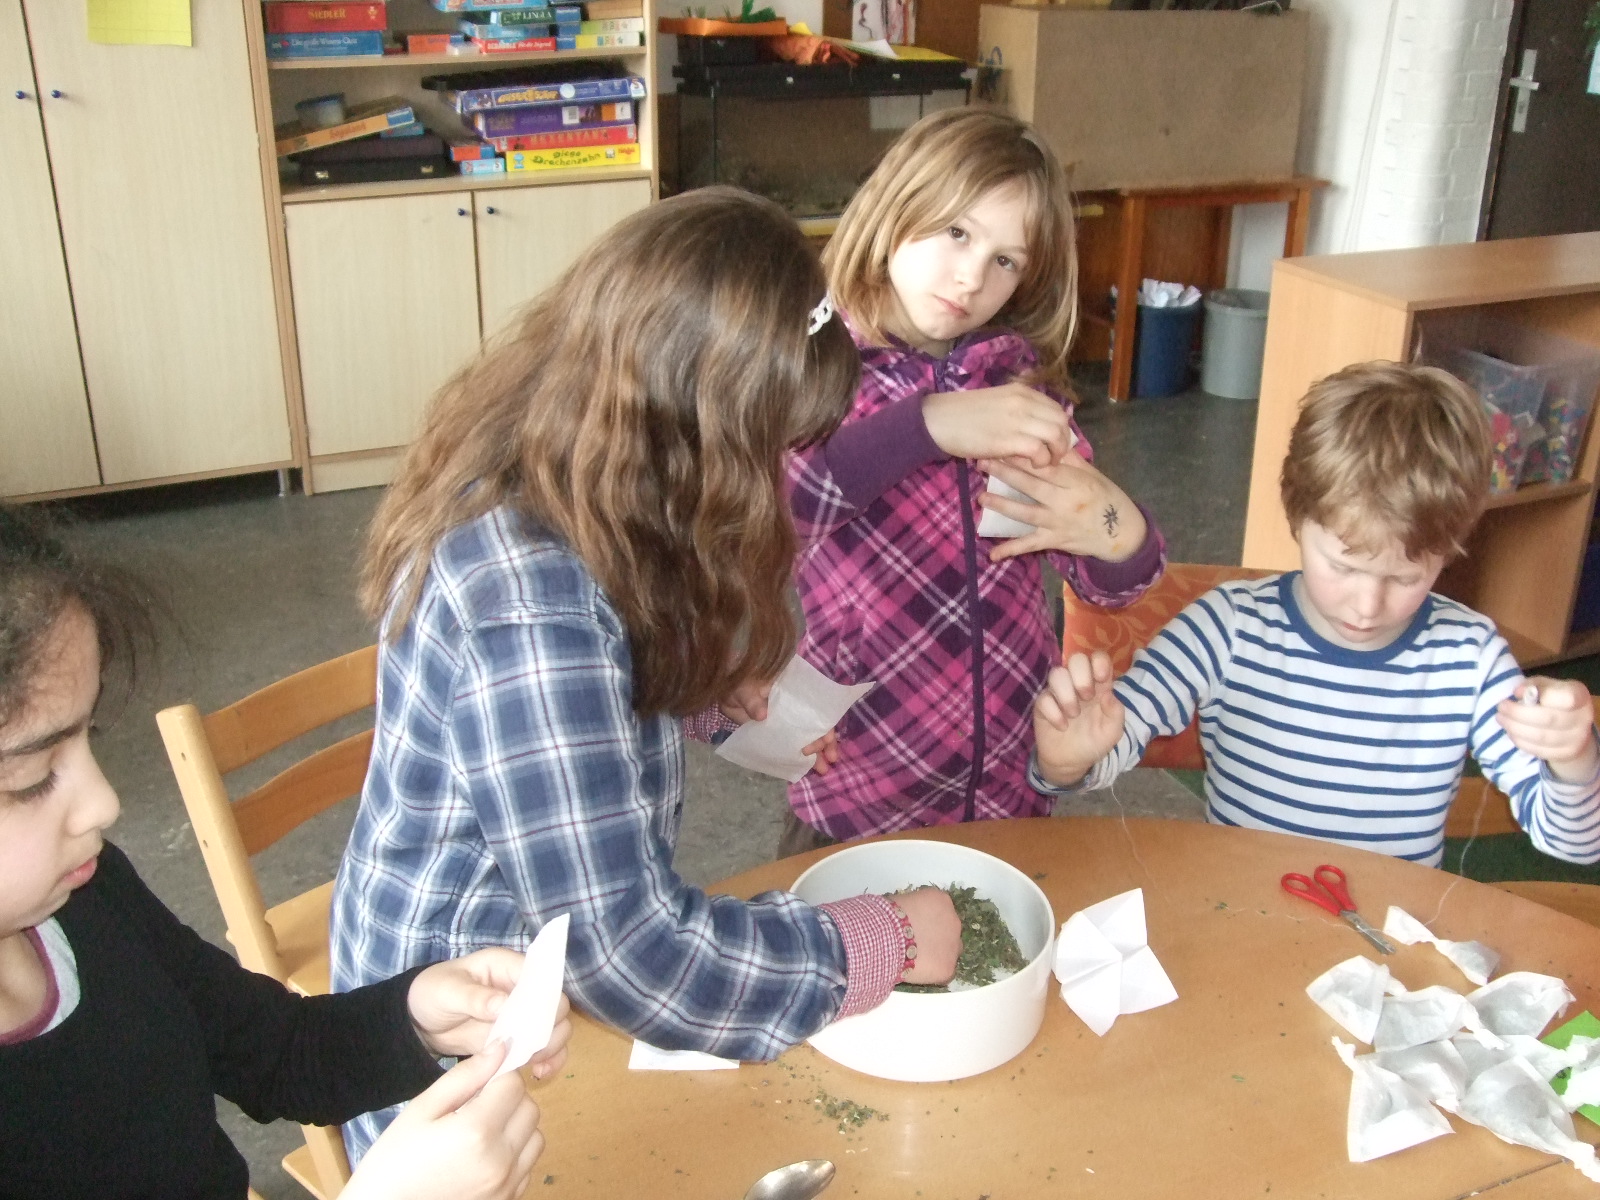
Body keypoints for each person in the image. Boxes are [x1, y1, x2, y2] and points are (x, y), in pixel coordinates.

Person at [329, 187, 964, 1162]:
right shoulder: (528, 601)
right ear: (688, 431)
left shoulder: (579, 465)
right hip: (454, 1057)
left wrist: (693, 679)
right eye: (762, 451)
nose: (772, 485)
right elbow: (628, 953)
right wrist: (881, 942)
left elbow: (602, 658)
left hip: (542, 973)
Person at [0, 504, 571, 1200]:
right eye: (33, 778)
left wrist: (414, 1017)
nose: (103, 802)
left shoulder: (89, 895)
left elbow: (276, 1050)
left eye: (87, 737)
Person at [777, 107, 1166, 854]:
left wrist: (1120, 529)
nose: (971, 278)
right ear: (897, 203)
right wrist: (932, 424)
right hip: (859, 783)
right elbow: (784, 507)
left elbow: (1110, 581)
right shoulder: (812, 365)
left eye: (1006, 260)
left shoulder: (1017, 386)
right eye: (957, 231)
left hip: (1007, 788)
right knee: (847, 931)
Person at [1030, 360, 1600, 867]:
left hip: (1388, 937)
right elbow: (1114, 736)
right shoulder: (1228, 628)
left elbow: (1576, 844)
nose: (1368, 606)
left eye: (1406, 577)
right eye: (1344, 566)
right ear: (1298, 519)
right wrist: (1064, 763)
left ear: (1451, 548)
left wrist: (1574, 761)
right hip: (1245, 919)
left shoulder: (1470, 658)